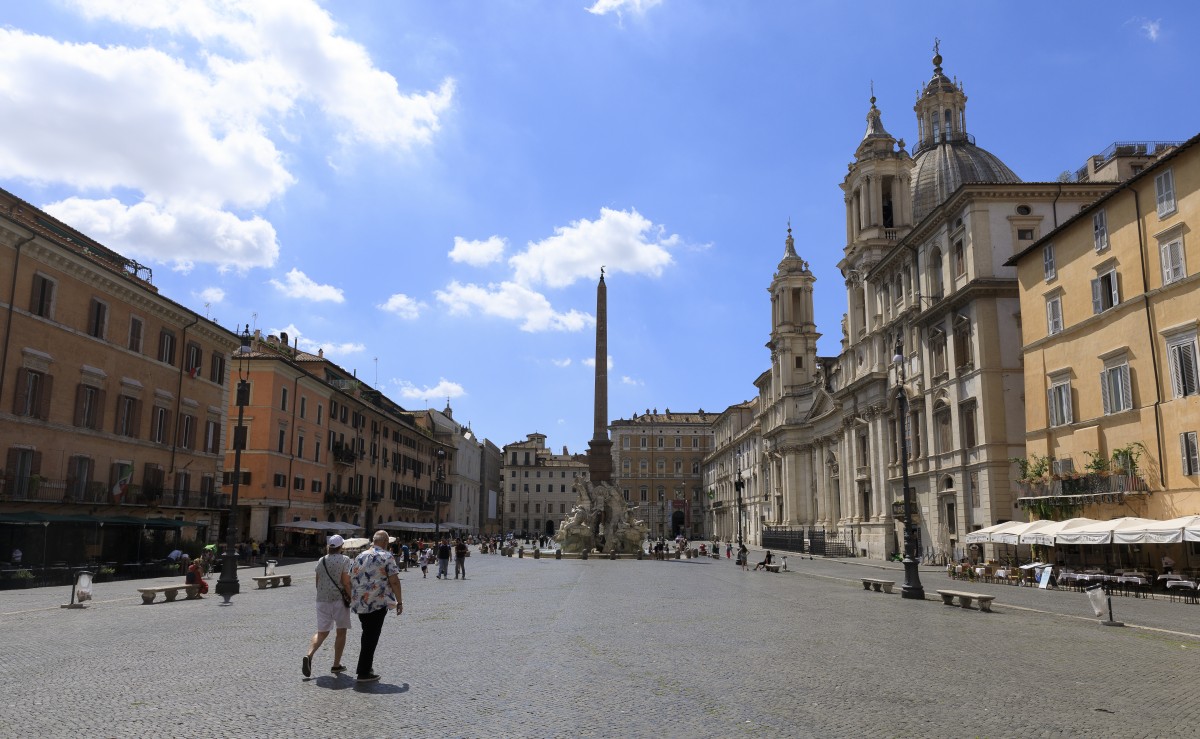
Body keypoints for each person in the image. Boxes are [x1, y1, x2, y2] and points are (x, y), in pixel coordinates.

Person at [349, 530, 403, 684]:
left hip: (360, 602)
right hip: (377, 602)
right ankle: (364, 672)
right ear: (385, 542)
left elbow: (351, 576)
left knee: (367, 634)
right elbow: (394, 581)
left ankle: (366, 668)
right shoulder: (386, 556)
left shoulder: (360, 556)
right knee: (371, 636)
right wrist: (399, 601)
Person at [304, 534, 353, 678]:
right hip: (338, 600)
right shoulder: (345, 559)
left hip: (322, 600)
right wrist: (351, 597)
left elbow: (317, 581)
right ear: (341, 547)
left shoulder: (322, 560)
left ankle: (309, 655)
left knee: (322, 632)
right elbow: (346, 582)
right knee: (341, 631)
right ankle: (336, 665)